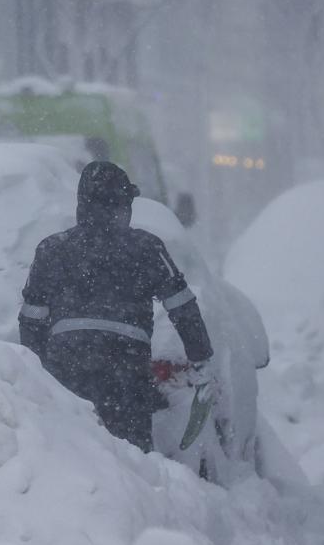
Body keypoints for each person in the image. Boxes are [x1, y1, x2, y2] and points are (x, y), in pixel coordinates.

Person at [19, 161, 215, 451]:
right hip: (126, 366)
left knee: (69, 452)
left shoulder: (52, 249)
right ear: (123, 204)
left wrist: (35, 371)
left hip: (67, 364)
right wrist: (201, 358)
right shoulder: (147, 248)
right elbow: (182, 307)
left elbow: (31, 319)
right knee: (132, 459)